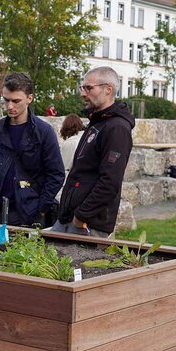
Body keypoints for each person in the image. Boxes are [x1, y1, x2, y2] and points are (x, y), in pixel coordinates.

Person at [52, 67, 134, 238]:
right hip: (69, 216)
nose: (83, 93)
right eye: (82, 88)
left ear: (108, 89)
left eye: (89, 88)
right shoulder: (97, 122)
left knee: (78, 265)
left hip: (88, 223)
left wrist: (81, 217)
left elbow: (110, 181)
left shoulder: (116, 128)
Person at [0, 72, 64, 227]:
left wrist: (41, 209)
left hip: (29, 213)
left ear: (29, 99)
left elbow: (56, 174)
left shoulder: (43, 132)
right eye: (6, 100)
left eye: (16, 101)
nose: (10, 106)